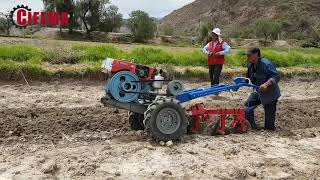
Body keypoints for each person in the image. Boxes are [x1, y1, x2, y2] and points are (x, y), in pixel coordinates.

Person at [245, 47, 281, 130]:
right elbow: (249, 79)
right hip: (258, 91)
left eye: (249, 55)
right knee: (247, 108)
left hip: (269, 94)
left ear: (256, 54)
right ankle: (252, 127)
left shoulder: (266, 63)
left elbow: (276, 76)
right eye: (247, 55)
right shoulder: (250, 65)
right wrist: (240, 83)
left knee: (269, 125)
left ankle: (269, 129)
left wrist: (266, 84)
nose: (248, 57)